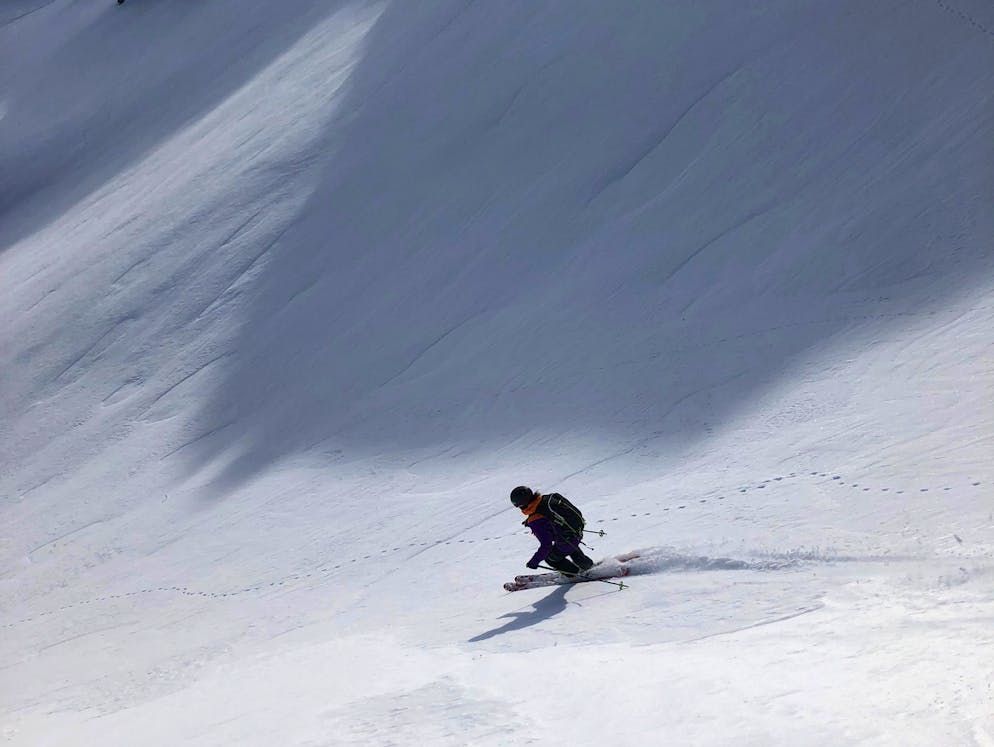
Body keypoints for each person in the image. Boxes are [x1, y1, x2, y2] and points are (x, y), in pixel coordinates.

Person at [510, 486, 594, 575]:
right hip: (576, 532)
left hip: (566, 540)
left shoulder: (535, 520)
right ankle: (589, 567)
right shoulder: (545, 500)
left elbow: (546, 545)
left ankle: (574, 574)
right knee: (570, 547)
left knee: (550, 558)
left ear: (523, 504)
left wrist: (534, 562)